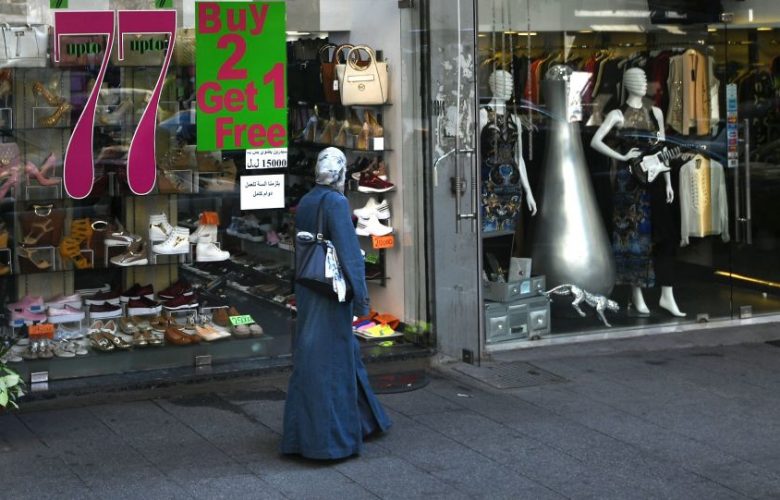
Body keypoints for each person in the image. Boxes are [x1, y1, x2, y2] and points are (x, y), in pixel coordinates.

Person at [281, 147, 391, 460]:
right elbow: (349, 252)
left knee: (324, 355)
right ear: (341, 174)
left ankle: (363, 422)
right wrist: (362, 300)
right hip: (332, 290)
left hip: (310, 285)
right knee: (331, 361)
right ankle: (329, 442)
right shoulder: (336, 202)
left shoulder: (307, 200)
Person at [590, 67, 685, 317]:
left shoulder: (656, 112)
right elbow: (595, 141)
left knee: (666, 236)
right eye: (638, 79)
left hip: (655, 180)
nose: (644, 83)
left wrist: (668, 182)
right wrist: (621, 156)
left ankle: (667, 294)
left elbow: (662, 149)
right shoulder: (617, 114)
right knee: (633, 238)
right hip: (629, 183)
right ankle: (636, 293)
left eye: (645, 79)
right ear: (628, 83)